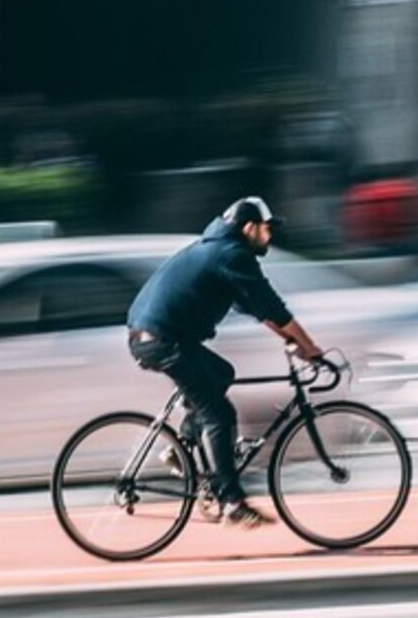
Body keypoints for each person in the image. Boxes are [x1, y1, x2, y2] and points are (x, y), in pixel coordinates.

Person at [128, 197, 325, 528]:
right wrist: (309, 346)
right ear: (249, 228)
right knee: (220, 414)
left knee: (222, 373)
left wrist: (291, 340)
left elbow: (258, 309)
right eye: (267, 229)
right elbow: (272, 305)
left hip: (159, 337)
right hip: (162, 341)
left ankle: (183, 447)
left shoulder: (220, 250)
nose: (270, 236)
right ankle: (232, 501)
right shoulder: (232, 254)